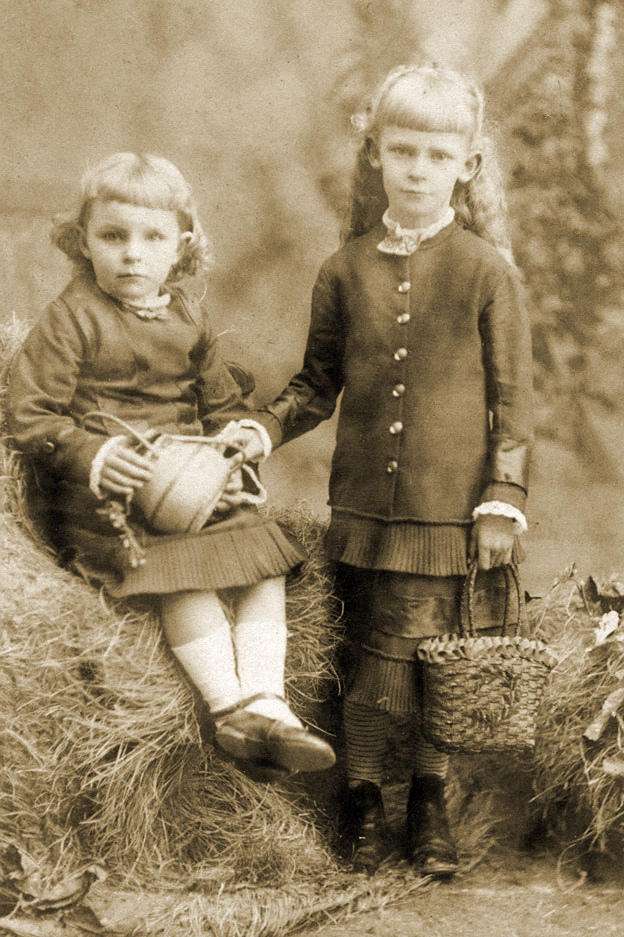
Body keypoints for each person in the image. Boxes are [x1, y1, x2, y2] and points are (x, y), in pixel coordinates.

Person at [239, 65, 534, 873]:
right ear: (375, 155)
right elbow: (314, 385)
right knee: (372, 667)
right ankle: (366, 801)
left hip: (451, 511)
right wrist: (262, 432)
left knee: (436, 665)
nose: (416, 169)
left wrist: (503, 497)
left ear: (466, 165)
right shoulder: (343, 271)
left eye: (436, 155)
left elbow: (515, 401)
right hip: (364, 507)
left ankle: (428, 805)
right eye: (401, 150)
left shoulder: (486, 271)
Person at [7, 151, 335, 781]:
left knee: (264, 567)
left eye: (151, 237)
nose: (132, 253)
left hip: (194, 480)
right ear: (82, 242)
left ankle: (270, 704)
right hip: (115, 498)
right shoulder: (71, 318)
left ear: (181, 246)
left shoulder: (186, 312)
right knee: (186, 577)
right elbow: (30, 413)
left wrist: (236, 437)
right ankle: (229, 711)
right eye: (113, 236)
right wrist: (95, 455)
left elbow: (217, 402)